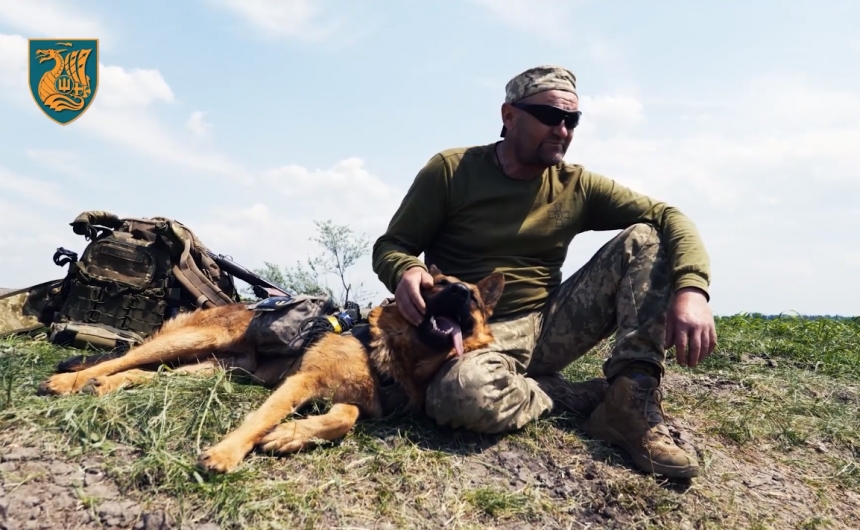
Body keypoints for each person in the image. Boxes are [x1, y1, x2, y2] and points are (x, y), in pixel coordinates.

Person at [371, 65, 716, 479]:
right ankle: (570, 396)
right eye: (551, 116)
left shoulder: (578, 184)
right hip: (468, 329)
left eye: (572, 120)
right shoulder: (450, 170)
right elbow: (392, 245)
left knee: (646, 235)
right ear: (509, 116)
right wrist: (405, 268)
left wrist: (692, 290)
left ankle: (631, 399)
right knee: (459, 396)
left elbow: (668, 215)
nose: (562, 130)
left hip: (548, 324)